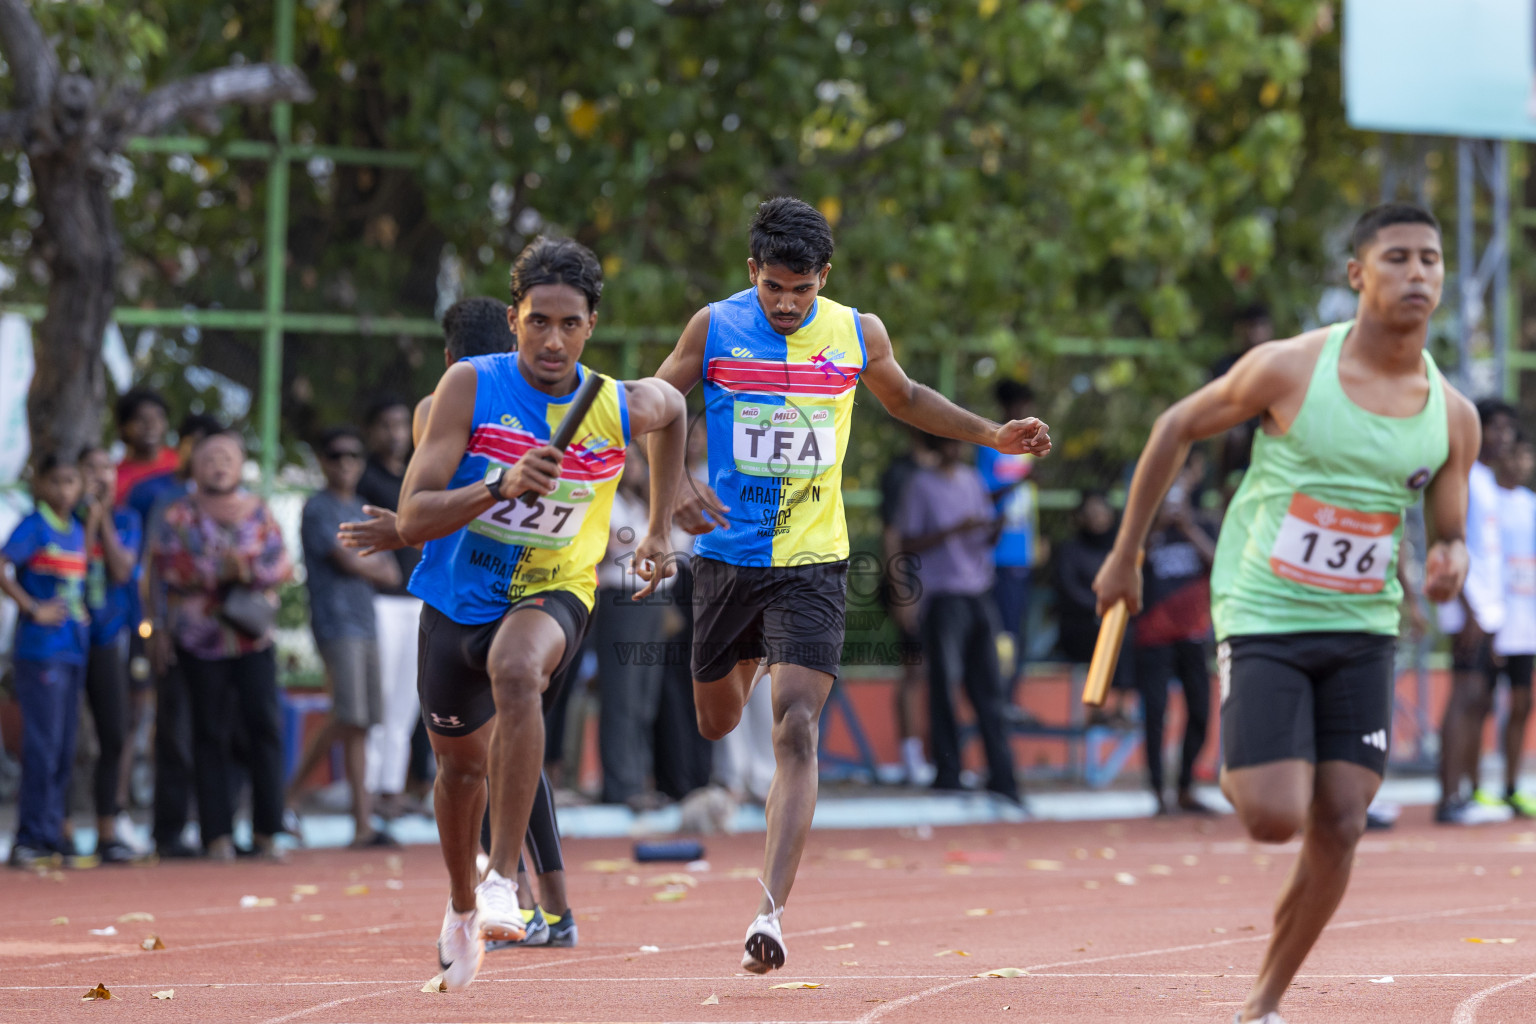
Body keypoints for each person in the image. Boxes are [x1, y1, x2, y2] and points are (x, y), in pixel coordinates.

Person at [1093, 202, 1477, 1024]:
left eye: (1432, 261)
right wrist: (1124, 557)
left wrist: (1450, 562)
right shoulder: (1292, 368)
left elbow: (1450, 532)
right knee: (1273, 817)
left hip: (1364, 628)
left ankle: (1263, 1004)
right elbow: (1175, 427)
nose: (1419, 274)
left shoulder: (1453, 416)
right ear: (1358, 275)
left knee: (1341, 821)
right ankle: (1268, 741)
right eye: (1399, 258)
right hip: (1265, 610)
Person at [652, 196, 1051, 973]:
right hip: (729, 559)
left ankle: (769, 914)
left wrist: (990, 434)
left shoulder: (857, 331)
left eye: (802, 290)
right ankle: (747, 662)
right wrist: (670, 493)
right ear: (752, 274)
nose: (788, 305)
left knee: (797, 728)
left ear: (824, 279)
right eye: (774, 289)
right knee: (716, 721)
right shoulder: (713, 326)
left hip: (814, 563)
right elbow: (659, 404)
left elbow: (906, 398)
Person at [395, 236, 686, 990]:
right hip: (457, 600)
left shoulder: (615, 403)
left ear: (591, 325)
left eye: (569, 324)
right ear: (515, 318)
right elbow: (412, 518)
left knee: (518, 671)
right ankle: (464, 904)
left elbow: (676, 405)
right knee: (459, 772)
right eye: (537, 322)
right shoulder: (467, 387)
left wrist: (659, 525)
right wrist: (498, 485)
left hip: (554, 590)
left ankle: (502, 877)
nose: (552, 340)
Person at [151, 431, 293, 862]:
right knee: (207, 735)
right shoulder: (179, 514)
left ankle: (268, 831)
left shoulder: (260, 511)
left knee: (264, 730)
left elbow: (282, 562)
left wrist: (246, 568)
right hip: (200, 642)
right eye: (209, 458)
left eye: (227, 458)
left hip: (253, 639)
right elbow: (168, 565)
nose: (218, 465)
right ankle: (217, 835)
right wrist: (217, 572)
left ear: (240, 464)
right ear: (194, 466)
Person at [291, 426, 401, 847]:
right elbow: (349, 562)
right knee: (348, 715)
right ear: (322, 461)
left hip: (365, 619)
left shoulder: (361, 507)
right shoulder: (318, 507)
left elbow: (391, 573)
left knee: (359, 721)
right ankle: (294, 795)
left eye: (354, 455)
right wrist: (363, 562)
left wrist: (362, 562)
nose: (346, 463)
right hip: (336, 621)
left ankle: (362, 823)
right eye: (336, 455)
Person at [895, 433, 1019, 803]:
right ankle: (947, 772)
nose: (957, 449)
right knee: (943, 685)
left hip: (979, 590)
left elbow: (980, 536)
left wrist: (994, 530)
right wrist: (952, 531)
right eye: (950, 443)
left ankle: (1003, 776)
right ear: (936, 445)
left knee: (990, 687)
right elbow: (907, 542)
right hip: (943, 595)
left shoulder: (972, 480)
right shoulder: (920, 484)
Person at [1, 453, 89, 868]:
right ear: (41, 486)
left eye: (71, 481)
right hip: (41, 650)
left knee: (65, 744)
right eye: (55, 482)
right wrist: (33, 607)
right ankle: (29, 835)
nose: (63, 490)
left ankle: (52, 831)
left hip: (73, 648)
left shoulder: (77, 530)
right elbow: (2, 566)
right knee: (43, 743)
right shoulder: (34, 526)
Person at [141, 413, 223, 859]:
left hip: (226, 639)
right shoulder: (165, 499)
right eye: (198, 446)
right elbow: (151, 567)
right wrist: (154, 626)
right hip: (176, 630)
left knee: (215, 732)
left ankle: (214, 828)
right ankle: (168, 830)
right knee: (172, 729)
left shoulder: (238, 502)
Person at [1436, 399, 1516, 824]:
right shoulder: (1465, 477)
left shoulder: (1487, 481)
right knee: (1463, 697)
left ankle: (1464, 792)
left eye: (1508, 429)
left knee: (1479, 700)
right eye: (1495, 428)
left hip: (1487, 608)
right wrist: (1466, 606)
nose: (1503, 437)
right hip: (1468, 605)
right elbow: (1449, 540)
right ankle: (1448, 797)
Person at [1131, 457, 1216, 816]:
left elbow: (1221, 565)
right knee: (1155, 713)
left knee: (1200, 709)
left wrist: (1188, 528)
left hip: (1194, 632)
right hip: (1153, 633)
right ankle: (1157, 791)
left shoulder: (1206, 523)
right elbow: (1128, 566)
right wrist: (1156, 529)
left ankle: (1185, 785)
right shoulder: (1144, 523)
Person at [594, 447, 670, 809]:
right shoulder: (606, 502)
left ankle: (639, 779)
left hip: (654, 601)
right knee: (621, 694)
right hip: (621, 600)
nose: (636, 468)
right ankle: (620, 786)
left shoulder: (645, 508)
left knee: (645, 697)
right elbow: (607, 549)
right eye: (628, 462)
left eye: (640, 461)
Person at [78, 447, 143, 862]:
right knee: (65, 740)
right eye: (92, 469)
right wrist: (89, 521)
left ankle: (107, 830)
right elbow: (77, 563)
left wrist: (103, 522)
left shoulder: (127, 519)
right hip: (67, 638)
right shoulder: (62, 520)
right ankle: (58, 831)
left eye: (107, 468)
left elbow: (122, 569)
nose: (102, 476)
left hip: (108, 638)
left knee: (114, 734)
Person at [977, 379, 1042, 710]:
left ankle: (1009, 698)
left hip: (1023, 555)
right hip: (996, 555)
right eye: (1018, 406)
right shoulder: (989, 445)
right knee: (1000, 633)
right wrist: (1020, 482)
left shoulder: (1030, 448)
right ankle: (997, 698)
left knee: (1018, 631)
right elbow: (982, 495)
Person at [1482, 434, 1536, 816]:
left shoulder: (1531, 505)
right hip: (1492, 620)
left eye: (1527, 455)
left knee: (1521, 703)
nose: (1520, 462)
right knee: (1479, 703)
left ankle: (1511, 785)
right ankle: (1472, 787)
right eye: (1515, 454)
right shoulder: (1487, 500)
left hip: (1525, 623)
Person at [877, 426, 934, 784]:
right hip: (911, 583)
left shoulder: (953, 470)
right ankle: (911, 755)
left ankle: (937, 753)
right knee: (913, 669)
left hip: (947, 584)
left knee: (939, 672)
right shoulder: (901, 473)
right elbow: (891, 533)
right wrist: (900, 590)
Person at [113, 388, 177, 506]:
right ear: (123, 427)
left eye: (158, 418)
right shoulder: (115, 478)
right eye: (141, 419)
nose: (150, 425)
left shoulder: (181, 463)